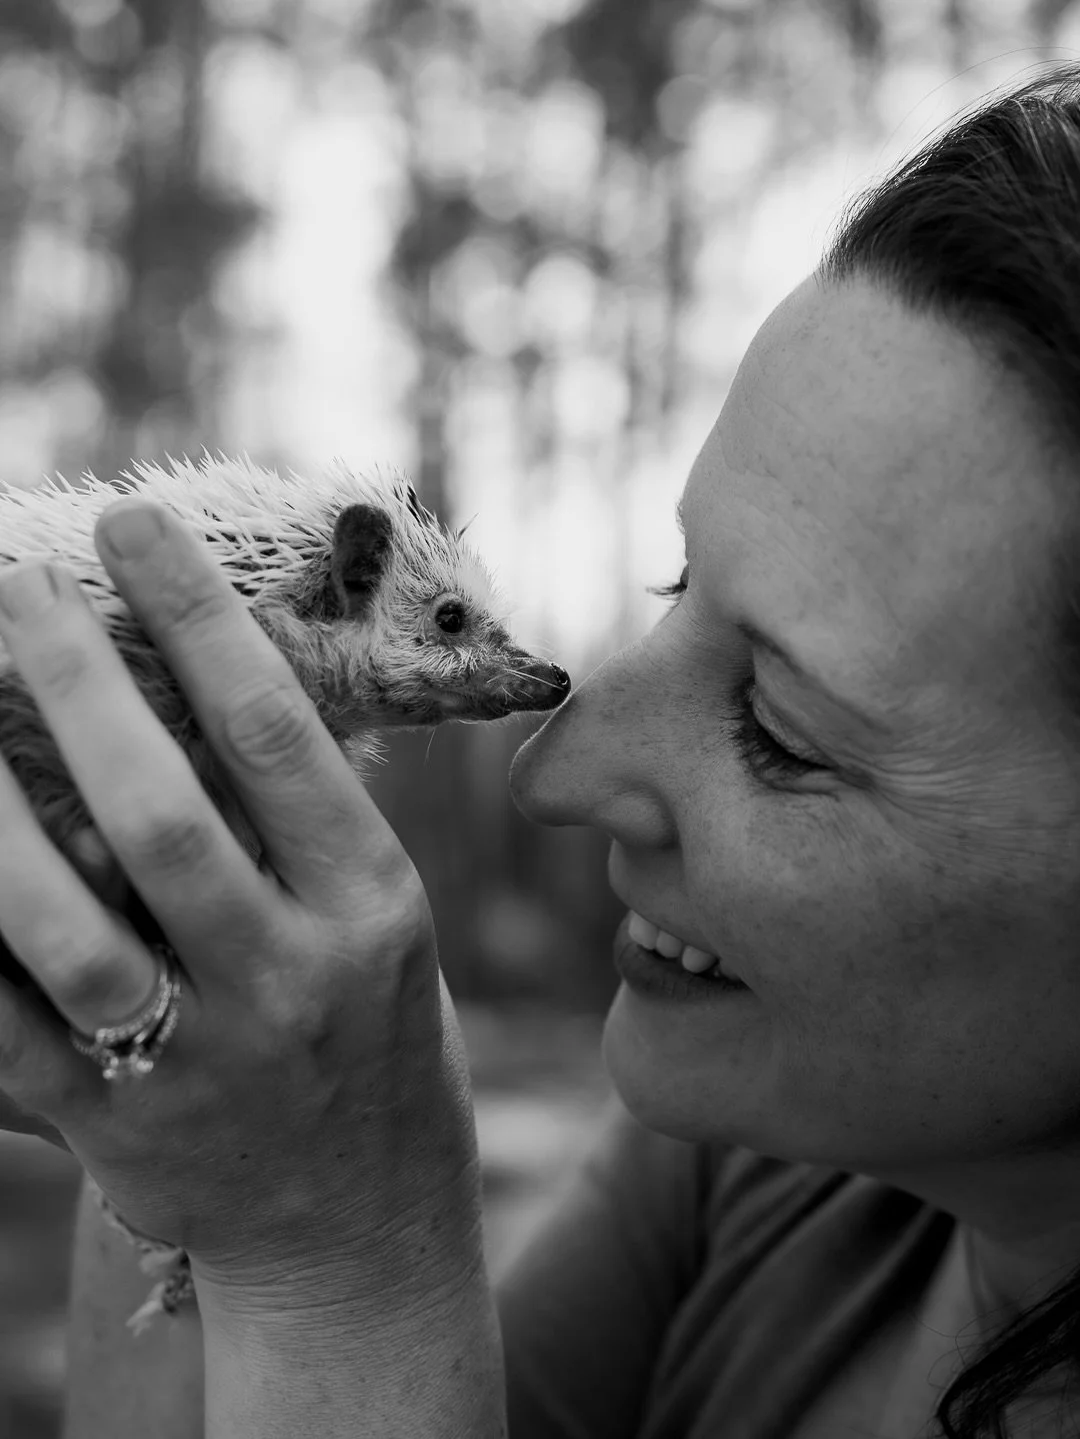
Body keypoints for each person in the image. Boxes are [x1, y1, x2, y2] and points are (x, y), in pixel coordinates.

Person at [3, 59, 1080, 1439]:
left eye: (783, 729)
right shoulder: (756, 1170)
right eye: (677, 587)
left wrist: (345, 1256)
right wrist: (197, 1143)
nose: (550, 771)